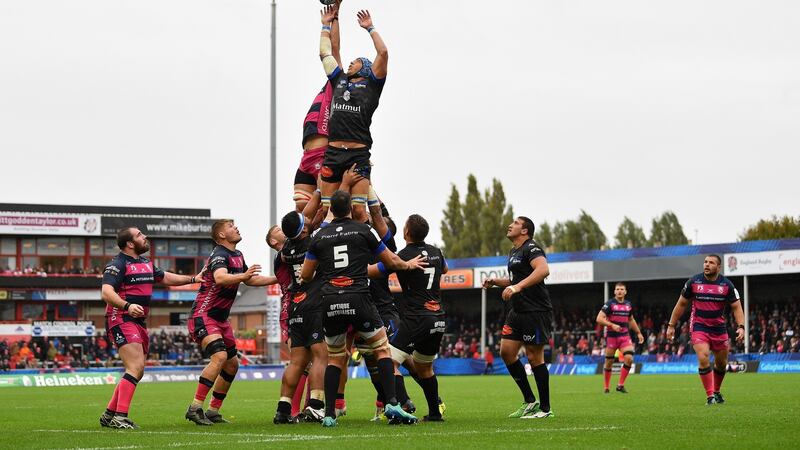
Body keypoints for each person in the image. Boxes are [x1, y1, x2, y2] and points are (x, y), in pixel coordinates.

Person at [300, 190, 424, 427]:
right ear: (350, 208)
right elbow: (390, 261)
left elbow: (306, 275)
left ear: (331, 209)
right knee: (382, 351)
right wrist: (408, 265)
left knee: (335, 359)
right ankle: (392, 405)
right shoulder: (363, 231)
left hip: (330, 301)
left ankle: (329, 414)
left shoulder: (318, 236)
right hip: (359, 298)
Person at [100, 227, 202, 429]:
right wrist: (126, 305)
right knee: (135, 367)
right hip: (120, 317)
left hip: (138, 321)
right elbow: (106, 291)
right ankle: (120, 417)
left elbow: (165, 277)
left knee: (136, 370)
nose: (144, 237)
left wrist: (192, 279)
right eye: (139, 235)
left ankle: (109, 415)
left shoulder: (145, 263)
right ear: (130, 244)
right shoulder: (117, 264)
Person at [185, 220, 279, 425]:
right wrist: (243, 275)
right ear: (221, 236)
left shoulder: (237, 255)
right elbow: (220, 278)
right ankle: (194, 407)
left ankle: (212, 411)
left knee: (232, 365)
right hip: (204, 314)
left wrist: (277, 279)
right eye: (230, 226)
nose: (236, 227)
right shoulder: (220, 254)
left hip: (220, 319)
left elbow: (250, 280)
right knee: (219, 357)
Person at [317, 7, 388, 223]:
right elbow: (325, 53)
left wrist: (370, 28)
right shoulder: (339, 79)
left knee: (358, 212)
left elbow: (383, 53)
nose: (349, 62)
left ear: (365, 68)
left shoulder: (372, 85)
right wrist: (325, 25)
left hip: (358, 157)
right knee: (327, 212)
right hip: (334, 153)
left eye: (355, 60)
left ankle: (361, 250)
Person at [374, 214, 447, 422]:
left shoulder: (402, 256)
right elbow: (445, 269)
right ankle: (435, 413)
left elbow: (375, 271)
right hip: (438, 317)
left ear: (406, 232)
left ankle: (396, 408)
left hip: (416, 318)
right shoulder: (436, 251)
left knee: (388, 360)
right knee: (424, 367)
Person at [482, 217, 554, 419]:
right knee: (506, 352)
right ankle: (530, 401)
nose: (510, 224)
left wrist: (517, 287)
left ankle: (546, 409)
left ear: (525, 230)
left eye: (515, 222)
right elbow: (516, 280)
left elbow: (543, 270)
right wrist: (497, 282)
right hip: (517, 310)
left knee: (534, 357)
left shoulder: (532, 248)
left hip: (535, 310)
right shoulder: (514, 251)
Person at [272, 211, 328, 424]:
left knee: (296, 362)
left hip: (295, 306)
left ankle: (282, 409)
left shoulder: (285, 251)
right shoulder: (315, 244)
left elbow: (307, 224)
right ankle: (315, 407)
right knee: (321, 357)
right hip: (314, 303)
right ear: (304, 228)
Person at [666, 254, 745, 405]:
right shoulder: (693, 282)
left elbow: (737, 307)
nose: (707, 265)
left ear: (718, 267)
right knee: (703, 356)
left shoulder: (727, 285)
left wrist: (741, 327)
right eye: (705, 262)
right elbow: (681, 304)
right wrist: (671, 325)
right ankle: (710, 396)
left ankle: (716, 391)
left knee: (721, 363)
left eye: (711, 263)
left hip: (719, 329)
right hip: (699, 326)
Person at [294, 1, 343, 212]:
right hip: (306, 158)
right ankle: (303, 243)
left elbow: (334, 49)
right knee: (300, 208)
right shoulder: (328, 88)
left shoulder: (340, 86)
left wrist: (334, 18)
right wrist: (330, 18)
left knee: (326, 209)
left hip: (325, 156)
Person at [596, 282, 644, 393]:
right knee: (609, 362)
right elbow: (599, 318)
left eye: (622, 289)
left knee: (629, 358)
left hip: (624, 336)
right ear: (614, 291)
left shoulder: (628, 304)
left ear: (625, 291)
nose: (619, 291)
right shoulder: (610, 304)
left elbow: (631, 319)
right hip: (612, 337)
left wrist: (638, 333)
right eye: (617, 289)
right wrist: (611, 325)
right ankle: (606, 387)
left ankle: (620, 385)